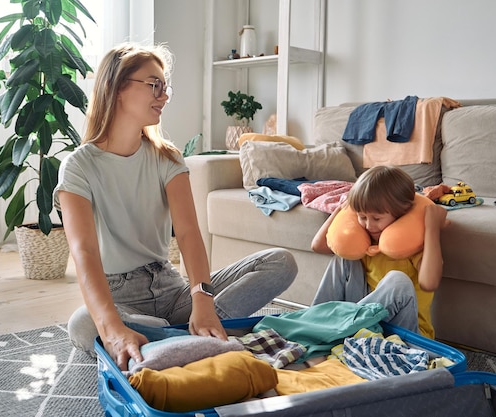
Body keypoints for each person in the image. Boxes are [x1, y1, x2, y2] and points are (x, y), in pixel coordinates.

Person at [53, 42, 297, 371]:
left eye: (165, 86)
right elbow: (83, 252)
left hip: (171, 290)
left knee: (280, 262)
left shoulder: (166, 157)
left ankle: (178, 340)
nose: (163, 95)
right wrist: (111, 328)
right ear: (118, 88)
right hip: (121, 298)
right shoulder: (78, 166)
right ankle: (196, 340)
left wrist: (203, 301)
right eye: (154, 85)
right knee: (84, 324)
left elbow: (188, 232)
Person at [310, 165, 448, 338]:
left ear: (400, 213)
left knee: (398, 280)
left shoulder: (410, 244)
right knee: (343, 258)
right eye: (362, 217)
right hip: (365, 324)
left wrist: (432, 228)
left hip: (405, 333)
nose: (369, 225)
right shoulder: (363, 242)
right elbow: (318, 246)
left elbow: (430, 283)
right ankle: (314, 325)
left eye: (376, 218)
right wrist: (342, 210)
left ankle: (338, 329)